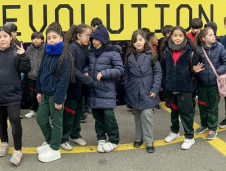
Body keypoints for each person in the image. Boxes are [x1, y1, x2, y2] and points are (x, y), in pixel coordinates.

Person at [0, 26, 30, 165]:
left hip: (13, 94)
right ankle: (4, 143)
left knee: (15, 121)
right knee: (0, 120)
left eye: (5, 36)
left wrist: (23, 55)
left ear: (11, 37)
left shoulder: (17, 52)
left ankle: (18, 150)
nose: (2, 39)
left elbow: (26, 69)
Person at [35, 25, 73, 163]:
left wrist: (58, 99)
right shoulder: (46, 52)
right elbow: (41, 72)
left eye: (54, 37)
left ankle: (55, 149)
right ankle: (51, 142)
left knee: (56, 122)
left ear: (61, 38)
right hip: (45, 93)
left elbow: (64, 80)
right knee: (41, 119)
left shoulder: (65, 56)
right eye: (49, 38)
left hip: (56, 95)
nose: (51, 40)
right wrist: (38, 90)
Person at [123, 30, 162, 153]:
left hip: (148, 89)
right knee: (137, 115)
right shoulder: (129, 56)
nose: (138, 43)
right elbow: (125, 73)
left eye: (140, 40)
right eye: (135, 41)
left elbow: (158, 73)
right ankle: (139, 138)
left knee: (147, 115)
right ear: (132, 43)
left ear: (145, 40)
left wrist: (155, 89)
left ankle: (149, 141)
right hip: (134, 90)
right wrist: (127, 86)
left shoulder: (151, 55)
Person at [86, 24, 123, 153]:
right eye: (92, 39)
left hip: (106, 90)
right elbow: (87, 65)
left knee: (109, 116)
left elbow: (120, 70)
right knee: (97, 116)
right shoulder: (90, 53)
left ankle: (114, 140)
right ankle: (101, 138)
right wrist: (86, 71)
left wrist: (105, 73)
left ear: (103, 39)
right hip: (93, 90)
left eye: (97, 39)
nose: (94, 41)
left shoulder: (113, 53)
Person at [162, 26, 198, 149]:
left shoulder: (190, 51)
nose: (177, 38)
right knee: (174, 111)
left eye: (180, 36)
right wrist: (165, 83)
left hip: (185, 88)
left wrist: (196, 71)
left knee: (186, 113)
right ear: (170, 37)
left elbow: (196, 71)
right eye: (175, 35)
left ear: (184, 37)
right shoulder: (166, 51)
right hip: (171, 87)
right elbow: (162, 69)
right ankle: (175, 132)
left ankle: (189, 137)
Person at [58, 24, 92, 151]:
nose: (89, 37)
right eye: (87, 35)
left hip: (80, 87)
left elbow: (86, 64)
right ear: (78, 35)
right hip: (71, 87)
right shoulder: (72, 47)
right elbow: (72, 69)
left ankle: (75, 135)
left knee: (78, 113)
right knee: (69, 114)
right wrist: (87, 79)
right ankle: (63, 138)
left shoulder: (84, 48)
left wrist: (86, 71)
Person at [194, 27, 226, 140]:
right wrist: (195, 70)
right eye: (210, 35)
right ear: (203, 38)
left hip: (215, 84)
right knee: (202, 105)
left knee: (213, 107)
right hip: (202, 83)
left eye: (213, 34)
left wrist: (216, 73)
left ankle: (212, 128)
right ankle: (204, 124)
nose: (213, 36)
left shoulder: (220, 47)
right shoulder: (198, 49)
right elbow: (194, 65)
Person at [24, 32, 45, 119]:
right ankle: (33, 110)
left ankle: (43, 111)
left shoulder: (46, 48)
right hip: (31, 76)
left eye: (38, 38)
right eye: (34, 38)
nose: (36, 40)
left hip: (43, 77)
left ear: (42, 40)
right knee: (32, 94)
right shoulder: (29, 49)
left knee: (43, 95)